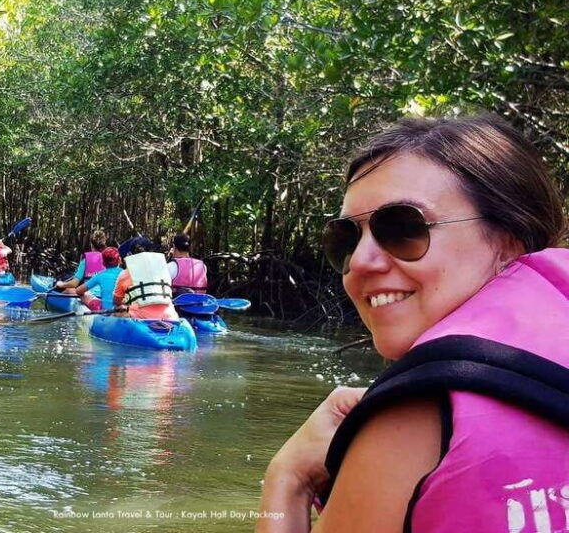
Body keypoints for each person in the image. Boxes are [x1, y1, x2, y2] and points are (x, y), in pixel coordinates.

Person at [257, 115, 569, 533]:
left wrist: (289, 480)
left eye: (404, 228)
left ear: (509, 244)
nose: (361, 263)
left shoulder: (411, 415)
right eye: (346, 239)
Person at [114, 236, 180, 320]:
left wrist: (125, 304)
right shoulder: (163, 269)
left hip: (139, 317)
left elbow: (116, 302)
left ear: (130, 255)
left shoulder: (125, 274)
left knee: (116, 314)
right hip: (170, 316)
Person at [71, 247, 123, 311]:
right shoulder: (127, 274)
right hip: (123, 309)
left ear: (103, 263)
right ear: (119, 260)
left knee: (85, 294)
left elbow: (78, 291)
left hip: (105, 311)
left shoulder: (100, 275)